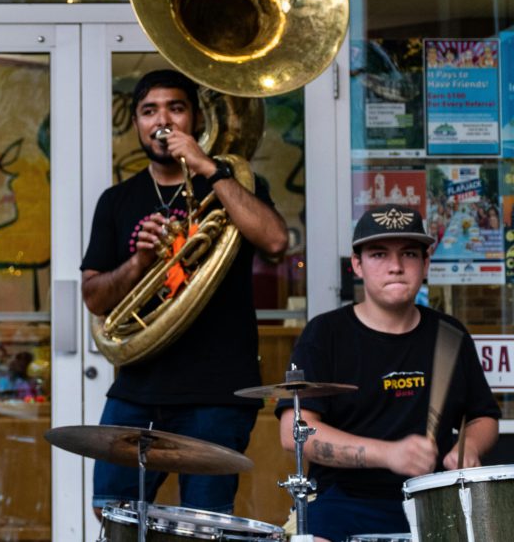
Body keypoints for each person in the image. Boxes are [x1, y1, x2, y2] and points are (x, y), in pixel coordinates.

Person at [81, 69, 289, 516]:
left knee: (206, 522)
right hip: (138, 388)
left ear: (194, 119)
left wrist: (209, 168)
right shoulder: (117, 201)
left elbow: (275, 242)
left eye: (175, 108)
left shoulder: (232, 182)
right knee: (112, 513)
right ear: (136, 122)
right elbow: (95, 299)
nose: (163, 120)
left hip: (217, 391)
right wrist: (140, 262)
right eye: (149, 110)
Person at [276, 204, 500, 542]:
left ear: (425, 263)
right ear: (357, 265)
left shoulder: (449, 333)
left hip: (433, 498)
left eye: (409, 254)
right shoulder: (325, 334)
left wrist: (470, 447)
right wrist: (388, 454)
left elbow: (484, 417)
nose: (396, 267)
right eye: (379, 254)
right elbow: (294, 431)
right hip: (343, 501)